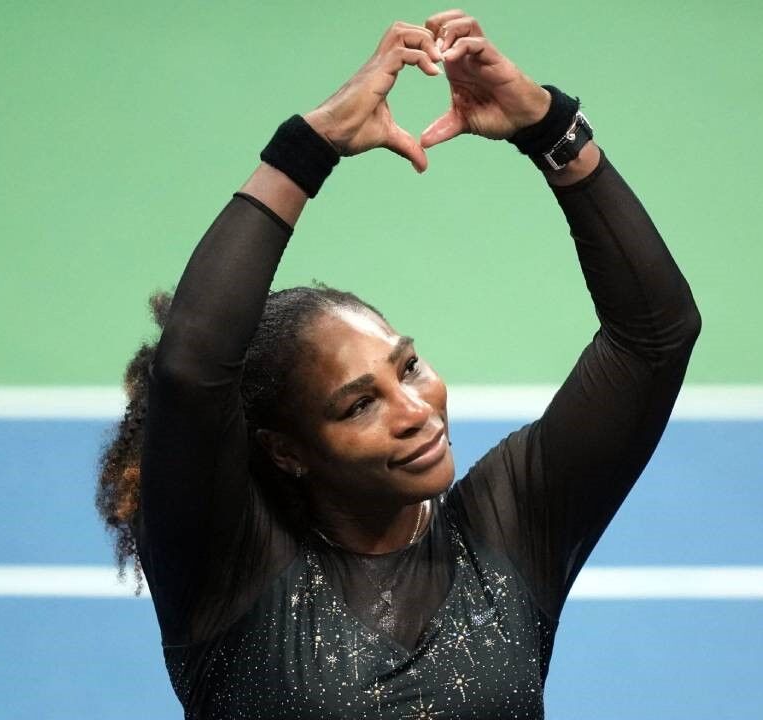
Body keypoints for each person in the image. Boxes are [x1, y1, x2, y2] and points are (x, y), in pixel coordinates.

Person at [96, 10, 700, 718]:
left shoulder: (510, 529)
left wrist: (550, 129)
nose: (415, 411)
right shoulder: (229, 572)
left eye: (407, 368)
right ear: (287, 451)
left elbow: (655, 338)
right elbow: (192, 368)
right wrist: (306, 149)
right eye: (359, 404)